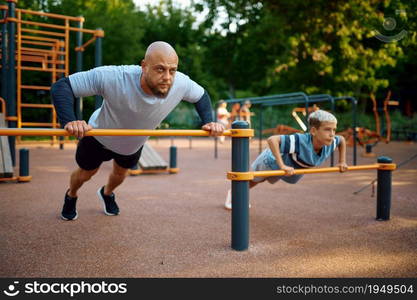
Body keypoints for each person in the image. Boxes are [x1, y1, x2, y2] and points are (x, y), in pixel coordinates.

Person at [51, 41, 225, 221]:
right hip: (99, 137)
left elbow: (202, 95)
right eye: (160, 69)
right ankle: (71, 194)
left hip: (132, 145)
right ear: (144, 66)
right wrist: (70, 121)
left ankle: (107, 193)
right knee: (86, 174)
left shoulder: (180, 82)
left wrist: (209, 121)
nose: (167, 77)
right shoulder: (115, 77)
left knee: (120, 175)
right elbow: (62, 86)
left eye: (172, 70)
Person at [224, 110, 348, 210]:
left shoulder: (332, 141)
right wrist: (282, 165)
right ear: (314, 131)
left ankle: (238, 193)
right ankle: (232, 194)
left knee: (261, 181)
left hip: (290, 165)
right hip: (271, 160)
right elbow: (272, 140)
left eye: (334, 129)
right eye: (327, 129)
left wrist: (342, 161)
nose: (332, 134)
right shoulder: (300, 141)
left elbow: (341, 139)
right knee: (254, 180)